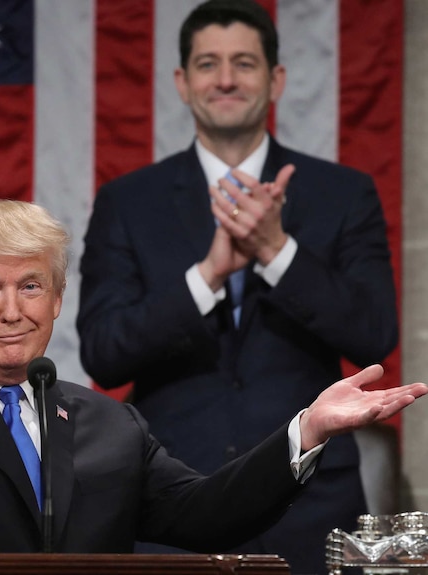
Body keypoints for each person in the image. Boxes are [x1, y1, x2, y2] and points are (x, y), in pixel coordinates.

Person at [0, 200, 423, 559]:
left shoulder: (110, 424)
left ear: (58, 299)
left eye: (31, 286)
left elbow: (207, 514)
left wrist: (309, 429)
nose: (12, 310)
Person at [76, 1, 399, 573]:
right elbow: (105, 352)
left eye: (244, 63)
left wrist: (277, 250)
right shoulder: (128, 202)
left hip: (311, 502)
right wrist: (208, 276)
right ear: (182, 82)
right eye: (208, 63)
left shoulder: (342, 193)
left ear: (275, 80)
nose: (225, 78)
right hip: (168, 504)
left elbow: (374, 335)